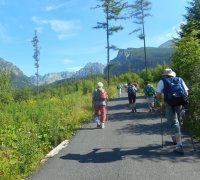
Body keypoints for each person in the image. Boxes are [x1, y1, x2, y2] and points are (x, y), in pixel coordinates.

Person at [156, 68, 189, 155]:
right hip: (180, 103)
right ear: (172, 74)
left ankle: (179, 145)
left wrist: (160, 102)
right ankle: (176, 137)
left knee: (174, 122)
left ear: (165, 75)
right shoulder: (179, 79)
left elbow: (158, 94)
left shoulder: (162, 81)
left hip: (169, 104)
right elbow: (186, 93)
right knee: (179, 121)